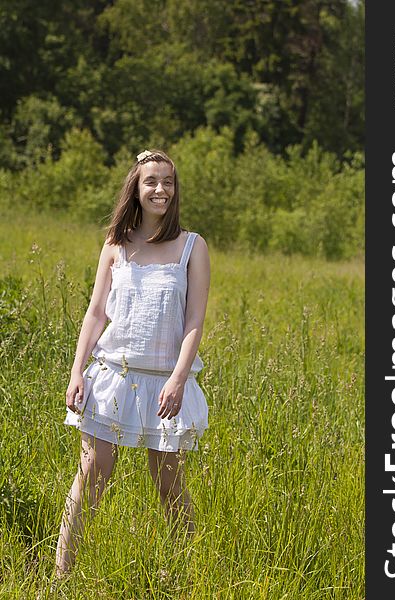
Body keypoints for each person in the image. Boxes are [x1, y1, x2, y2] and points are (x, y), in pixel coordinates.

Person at [55, 149, 210, 577]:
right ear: (136, 189)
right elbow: (96, 313)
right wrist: (76, 372)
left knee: (168, 482)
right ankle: (62, 573)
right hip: (112, 376)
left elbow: (195, 319)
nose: (160, 189)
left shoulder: (192, 247)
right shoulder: (115, 245)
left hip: (165, 382)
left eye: (168, 182)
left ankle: (182, 572)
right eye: (151, 181)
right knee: (93, 471)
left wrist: (179, 379)